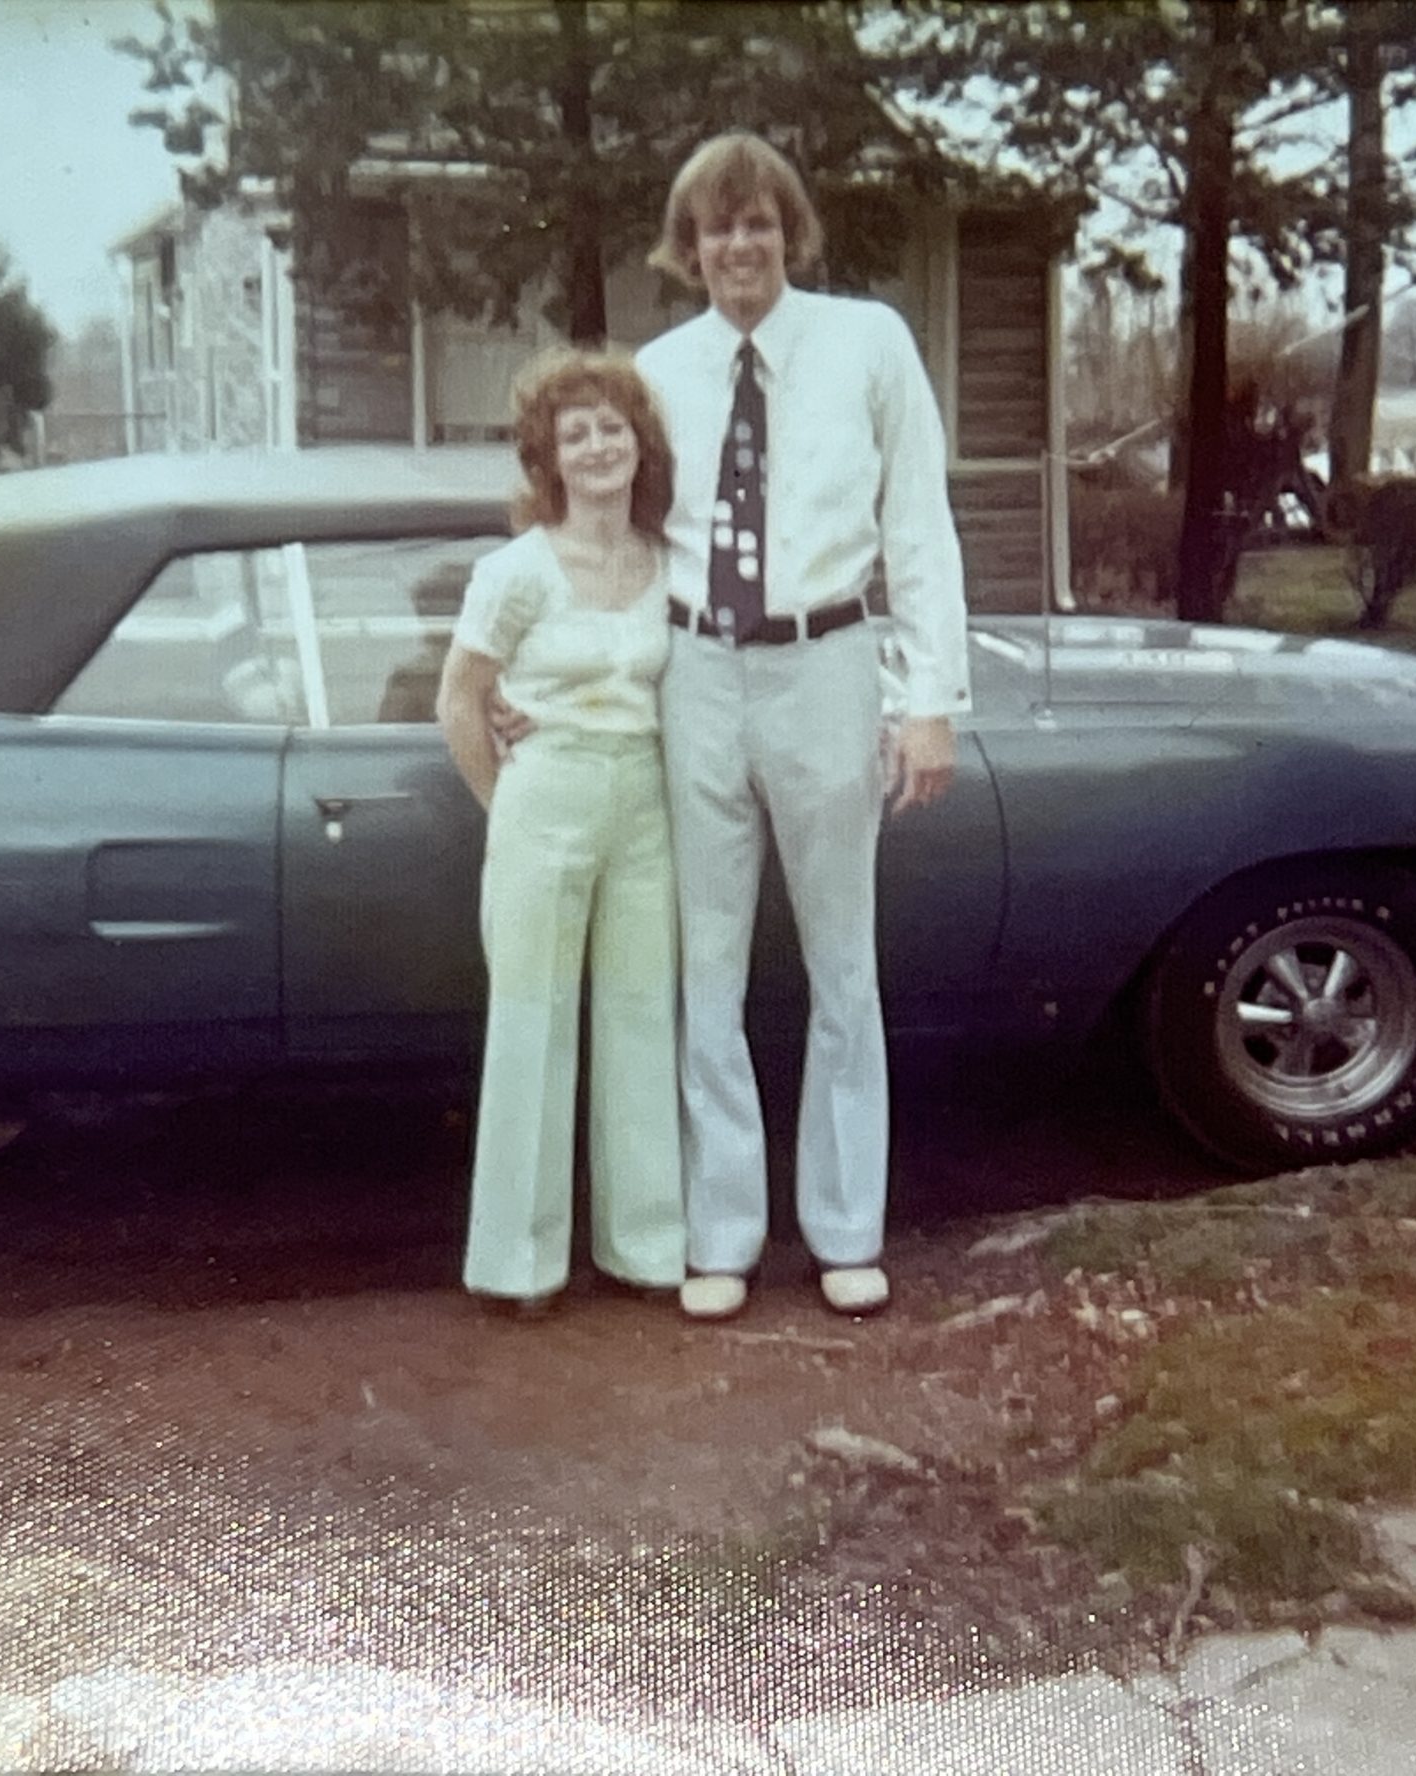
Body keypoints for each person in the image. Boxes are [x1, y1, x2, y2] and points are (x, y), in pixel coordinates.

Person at [636, 131, 971, 1321]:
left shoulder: (866, 344)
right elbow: (615, 542)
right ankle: (719, 1235)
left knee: (842, 963)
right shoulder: (659, 369)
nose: (740, 245)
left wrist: (925, 700)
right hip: (694, 672)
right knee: (706, 967)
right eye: (717, 228)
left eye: (759, 222)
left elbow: (918, 522)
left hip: (824, 662)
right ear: (689, 248)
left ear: (790, 233)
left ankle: (844, 1230)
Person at [436, 349, 687, 1312]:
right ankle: (519, 1264)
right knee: (533, 1023)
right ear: (548, 458)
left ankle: (646, 1249)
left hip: (646, 802)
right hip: (546, 794)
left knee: (637, 1015)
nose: (595, 447)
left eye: (611, 427)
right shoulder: (517, 571)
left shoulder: (667, 565)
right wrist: (510, 806)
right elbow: (459, 701)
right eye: (573, 433)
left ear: (639, 444)